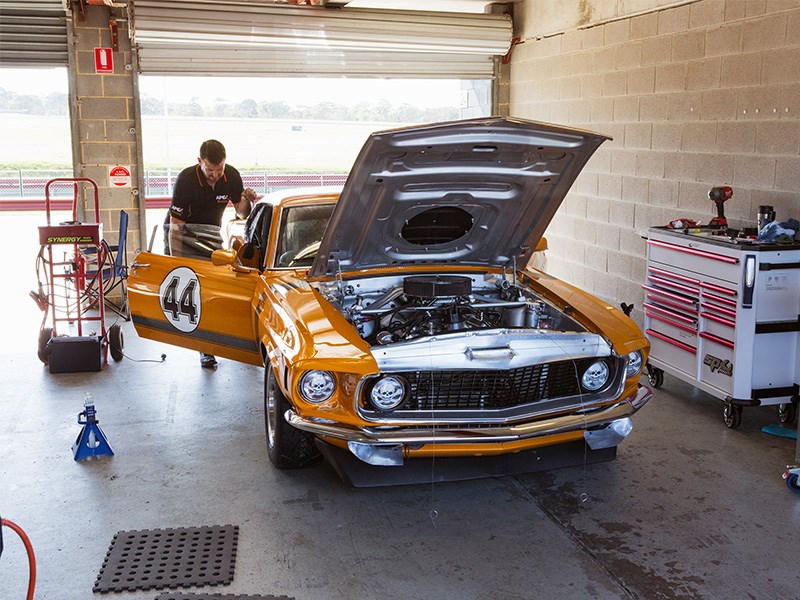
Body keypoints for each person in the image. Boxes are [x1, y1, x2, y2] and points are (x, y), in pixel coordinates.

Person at [166, 139, 256, 368]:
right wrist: (177, 263)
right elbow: (176, 225)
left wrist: (247, 199)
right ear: (199, 162)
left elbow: (242, 213)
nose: (215, 175)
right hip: (183, 235)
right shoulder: (186, 180)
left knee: (213, 293)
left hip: (212, 235)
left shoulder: (232, 176)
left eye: (219, 169)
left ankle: (221, 340)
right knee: (196, 292)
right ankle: (205, 350)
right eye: (210, 170)